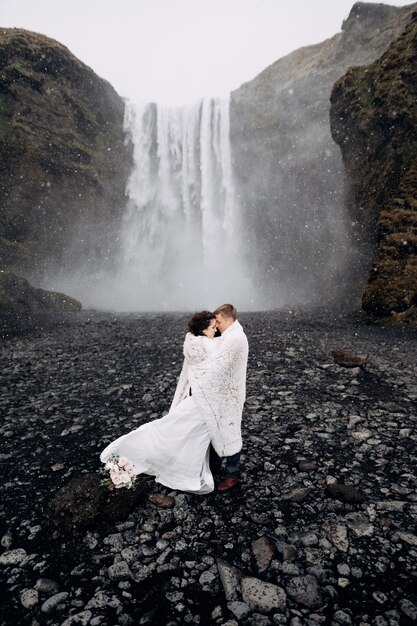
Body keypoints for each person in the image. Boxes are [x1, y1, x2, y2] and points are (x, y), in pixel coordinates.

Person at [100, 311, 218, 494]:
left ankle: (134, 454)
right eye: (212, 327)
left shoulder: (192, 342)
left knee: (171, 431)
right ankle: (178, 468)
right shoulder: (208, 346)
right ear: (203, 329)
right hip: (202, 400)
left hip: (194, 397)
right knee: (183, 435)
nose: (216, 329)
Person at [210, 304, 249, 492]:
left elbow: (219, 365)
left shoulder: (235, 338)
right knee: (216, 428)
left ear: (229, 319)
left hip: (230, 395)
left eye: (218, 321)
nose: (216, 325)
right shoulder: (230, 335)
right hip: (225, 393)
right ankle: (215, 467)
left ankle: (232, 475)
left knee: (230, 431)